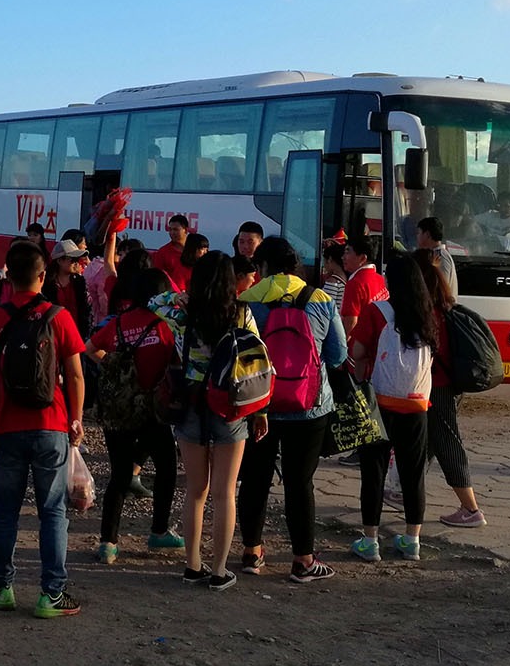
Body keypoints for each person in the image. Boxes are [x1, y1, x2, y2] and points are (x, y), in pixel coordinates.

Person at [0, 240, 87, 618]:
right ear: (42, 276)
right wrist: (76, 418)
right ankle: (51, 593)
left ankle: (1, 587)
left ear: (9, 276)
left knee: (5, 512)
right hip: (50, 424)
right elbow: (74, 374)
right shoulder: (59, 316)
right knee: (53, 512)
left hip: (6, 426)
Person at [235, 238, 347, 583]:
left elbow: (241, 354)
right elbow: (338, 355)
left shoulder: (248, 300)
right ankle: (303, 561)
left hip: (260, 406)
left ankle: (252, 553)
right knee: (300, 483)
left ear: (263, 266)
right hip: (309, 406)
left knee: (254, 479)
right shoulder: (320, 298)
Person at [154, 251, 264, 591]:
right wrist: (259, 412)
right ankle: (218, 570)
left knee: (195, 491)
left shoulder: (180, 313)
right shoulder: (242, 313)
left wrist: (179, 296)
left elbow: (152, 300)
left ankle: (192, 565)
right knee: (225, 493)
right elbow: (255, 361)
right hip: (229, 405)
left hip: (189, 404)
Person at [85, 267, 184, 563]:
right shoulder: (164, 326)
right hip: (152, 410)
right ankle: (158, 531)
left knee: (119, 476)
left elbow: (89, 348)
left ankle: (108, 543)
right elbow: (176, 363)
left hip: (118, 409)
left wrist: (112, 367)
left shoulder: (117, 324)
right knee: (166, 467)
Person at [348, 254, 436, 561]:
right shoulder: (428, 313)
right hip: (417, 405)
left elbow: (357, 351)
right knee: (413, 475)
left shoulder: (378, 311)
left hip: (380, 403)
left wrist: (361, 371)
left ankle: (369, 541)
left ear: (390, 281)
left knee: (373, 472)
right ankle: (412, 540)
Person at [416, 247, 486, 528]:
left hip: (438, 386)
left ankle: (471, 509)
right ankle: (402, 492)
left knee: (447, 444)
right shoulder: (444, 307)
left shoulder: (430, 313)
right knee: (431, 443)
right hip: (444, 384)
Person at [417, 217, 458, 298]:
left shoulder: (440, 257)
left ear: (427, 235)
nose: (417, 237)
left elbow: (439, 290)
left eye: (419, 233)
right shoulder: (433, 255)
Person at [151, 214, 193, 290]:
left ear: (186, 230)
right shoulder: (163, 252)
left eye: (176, 230)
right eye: (170, 229)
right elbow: (157, 277)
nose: (172, 233)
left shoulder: (195, 250)